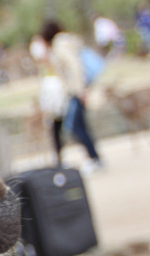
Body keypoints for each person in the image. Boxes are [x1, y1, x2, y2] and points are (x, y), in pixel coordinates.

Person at [39, 21, 103, 173]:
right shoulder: (65, 42)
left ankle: (94, 159)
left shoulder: (60, 44)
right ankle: (94, 158)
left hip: (76, 91)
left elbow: (73, 66)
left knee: (75, 126)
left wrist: (80, 90)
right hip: (76, 90)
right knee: (79, 125)